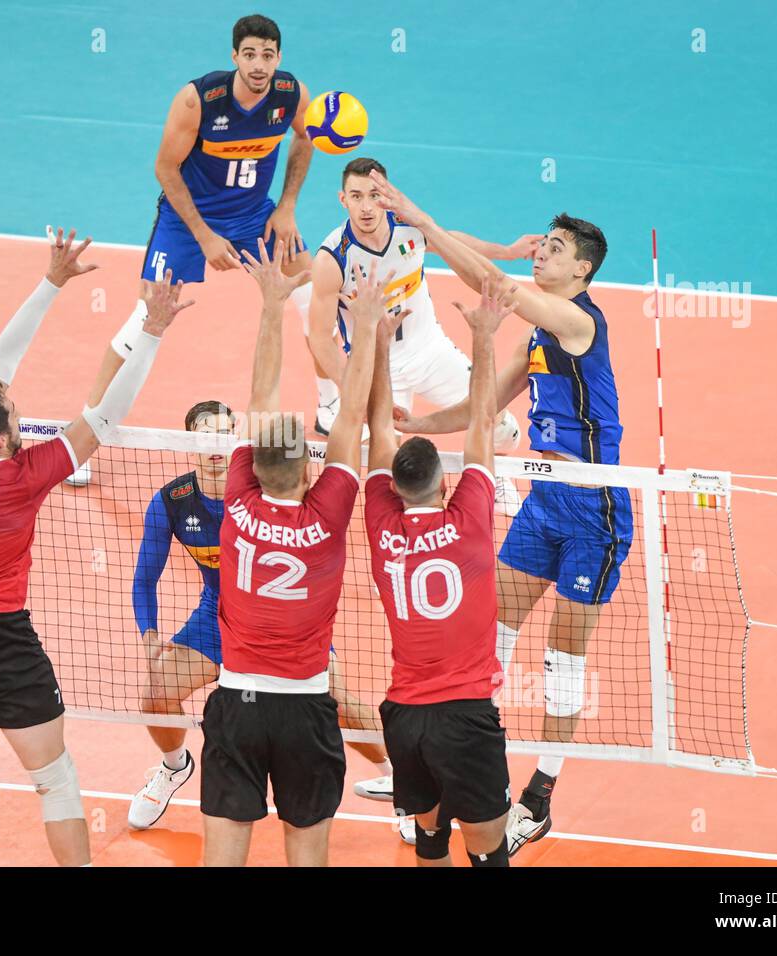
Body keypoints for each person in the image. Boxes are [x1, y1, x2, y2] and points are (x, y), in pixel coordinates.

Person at [0, 229, 190, 866]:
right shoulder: (24, 475)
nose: (15, 406)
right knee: (54, 777)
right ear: (4, 442)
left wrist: (51, 282)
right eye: (14, 415)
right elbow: (106, 417)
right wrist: (154, 332)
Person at [368, 170, 632, 857]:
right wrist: (418, 420)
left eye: (554, 247)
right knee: (492, 638)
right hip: (545, 507)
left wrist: (418, 222)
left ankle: (539, 796)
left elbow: (499, 288)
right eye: (540, 244)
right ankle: (462, 769)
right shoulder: (539, 341)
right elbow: (481, 407)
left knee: (561, 662)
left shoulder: (578, 323)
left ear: (583, 267)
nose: (540, 253)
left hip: (594, 516)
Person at [127, 406, 398, 832]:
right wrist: (149, 634)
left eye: (224, 434)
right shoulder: (171, 503)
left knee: (339, 704)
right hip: (217, 617)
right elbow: (144, 580)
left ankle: (400, 779)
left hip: (285, 616)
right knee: (156, 693)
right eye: (204, 435)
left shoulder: (263, 486)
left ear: (237, 439)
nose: (215, 445)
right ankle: (174, 766)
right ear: (188, 442)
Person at [200, 238, 383, 866]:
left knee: (222, 857)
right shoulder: (328, 509)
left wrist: (272, 305)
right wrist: (364, 331)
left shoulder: (238, 505)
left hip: (236, 703)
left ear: (251, 465)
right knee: (308, 856)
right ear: (307, 471)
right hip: (305, 706)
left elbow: (261, 400)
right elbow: (351, 417)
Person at [81, 14, 322, 486]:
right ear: (234, 56)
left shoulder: (291, 94)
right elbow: (166, 170)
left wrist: (288, 205)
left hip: (256, 215)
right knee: (146, 320)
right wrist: (205, 235)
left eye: (268, 55)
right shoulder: (199, 100)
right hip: (187, 218)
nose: (259, 64)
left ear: (278, 58)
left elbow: (306, 136)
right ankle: (87, 432)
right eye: (249, 54)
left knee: (314, 293)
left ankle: (332, 405)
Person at [364, 273, 517, 867]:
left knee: (431, 840)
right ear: (445, 483)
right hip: (465, 717)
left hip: (404, 717)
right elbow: (483, 423)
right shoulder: (473, 518)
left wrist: (377, 345)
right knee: (489, 852)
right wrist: (483, 336)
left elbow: (380, 431)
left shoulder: (381, 526)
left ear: (394, 489)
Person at [308, 156, 539, 463]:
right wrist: (351, 390)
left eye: (374, 195)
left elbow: (450, 240)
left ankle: (497, 479)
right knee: (388, 460)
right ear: (343, 199)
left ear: (386, 195)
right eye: (356, 196)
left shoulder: (409, 225)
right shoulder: (333, 259)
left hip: (432, 351)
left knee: (501, 429)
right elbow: (321, 338)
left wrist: (507, 252)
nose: (366, 207)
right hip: (379, 367)